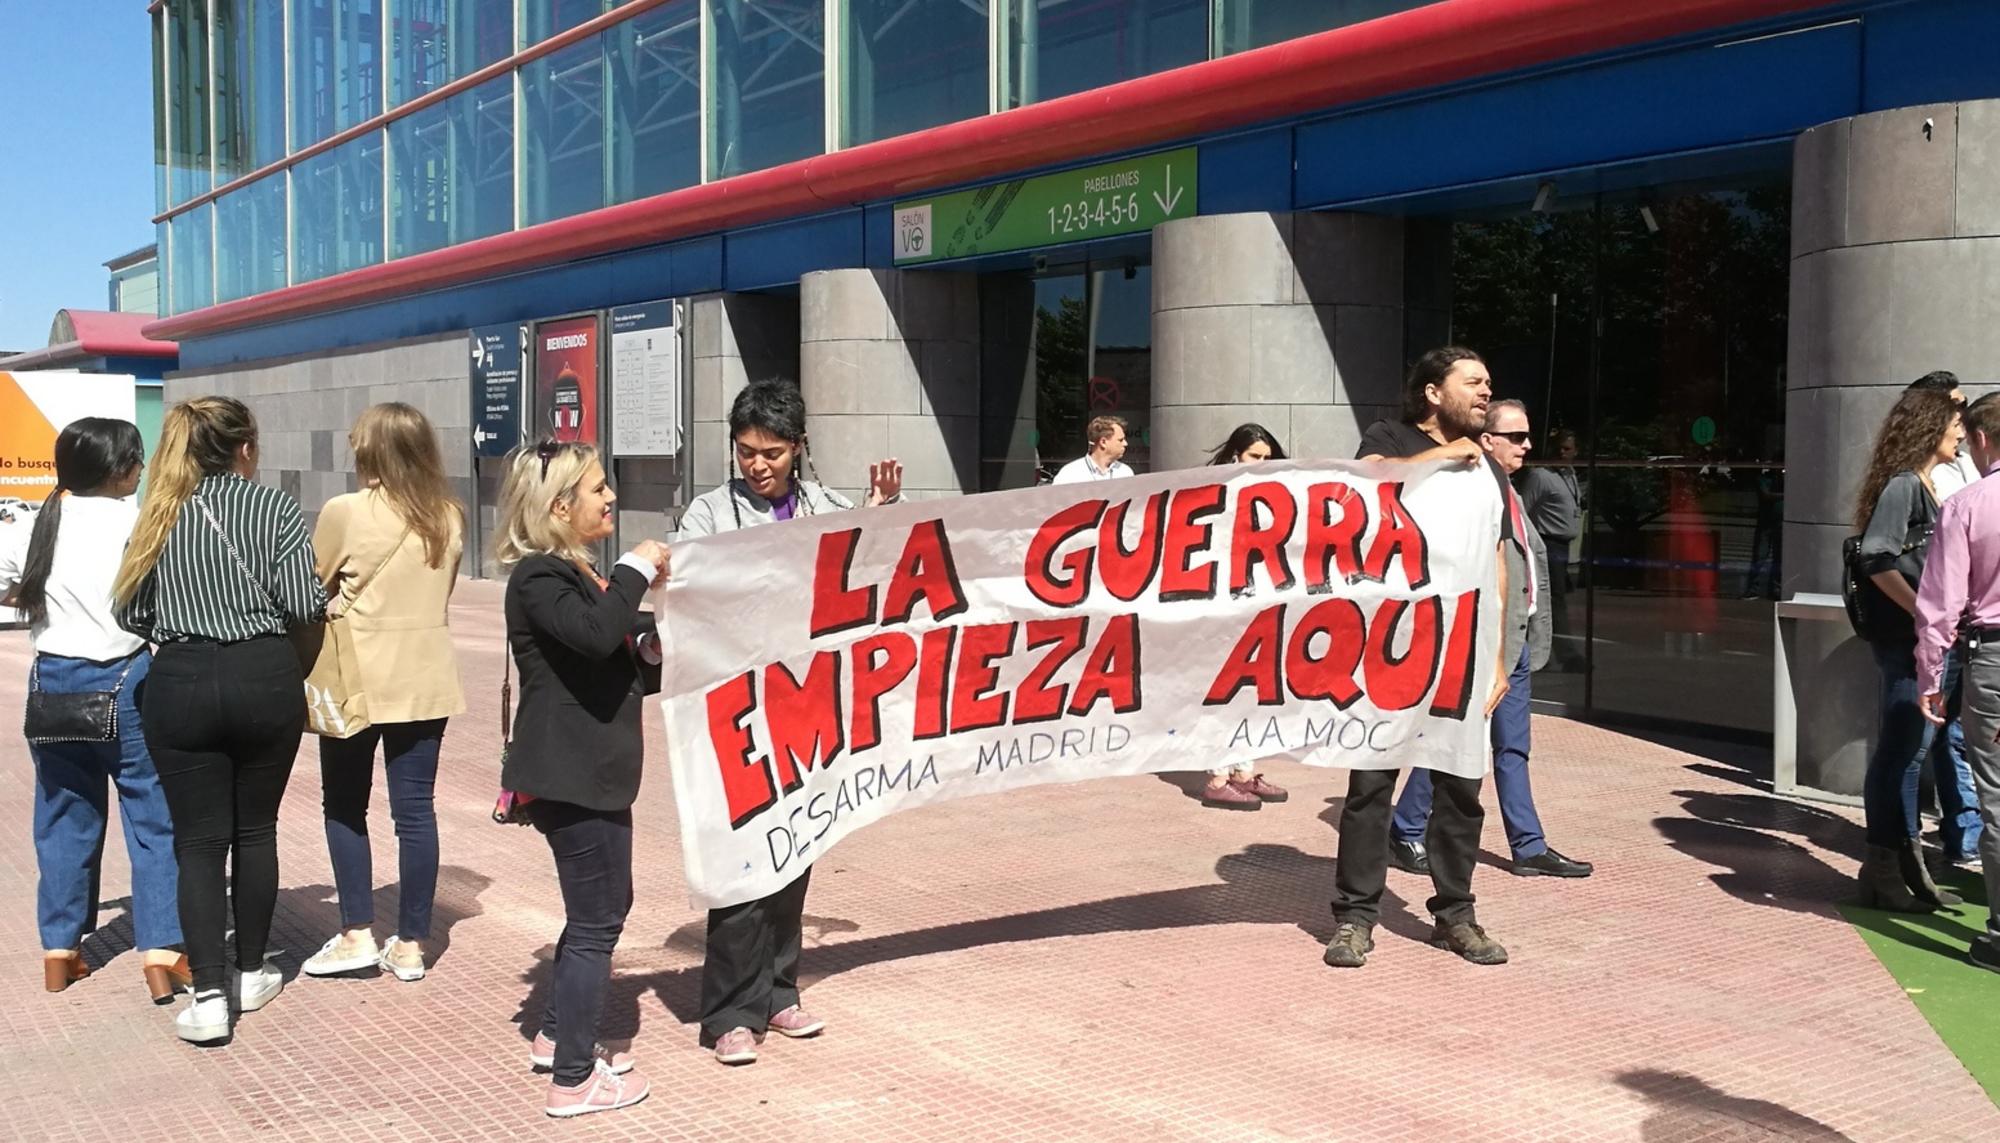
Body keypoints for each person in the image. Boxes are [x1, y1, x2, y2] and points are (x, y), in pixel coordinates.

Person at [676, 379, 903, 1065]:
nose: (758, 465)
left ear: (799, 447)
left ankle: (778, 990)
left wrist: (878, 516)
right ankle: (729, 1014)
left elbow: (868, 575)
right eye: (746, 452)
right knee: (742, 863)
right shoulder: (708, 515)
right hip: (737, 713)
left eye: (771, 452)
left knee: (795, 854)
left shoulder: (826, 507)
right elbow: (689, 594)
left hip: (808, 709)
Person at [112, 396, 325, 1044]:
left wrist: (176, 629)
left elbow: (125, 609)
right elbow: (301, 603)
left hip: (179, 679)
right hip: (265, 675)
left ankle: (207, 997)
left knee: (198, 842)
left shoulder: (161, 509)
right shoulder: (276, 507)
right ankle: (251, 971)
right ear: (245, 447)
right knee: (256, 828)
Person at [1323, 347, 1512, 970]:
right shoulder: (1390, 436)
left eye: (1489, 384)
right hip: (1391, 644)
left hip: (1463, 649)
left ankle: (1455, 915)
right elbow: (1369, 481)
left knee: (1460, 785)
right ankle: (1355, 917)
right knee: (1371, 783)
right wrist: (1439, 456)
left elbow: (1498, 558)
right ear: (1434, 392)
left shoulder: (1492, 465)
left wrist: (1498, 656)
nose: (1486, 392)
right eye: (1474, 383)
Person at [498, 438, 665, 1117]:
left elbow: (610, 656)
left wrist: (650, 644)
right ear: (560, 504)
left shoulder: (579, 574)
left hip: (593, 772)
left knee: (603, 908)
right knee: (597, 920)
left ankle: (556, 1032)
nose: (612, 498)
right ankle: (573, 1078)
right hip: (570, 776)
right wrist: (637, 566)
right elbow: (596, 635)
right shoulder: (537, 576)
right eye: (599, 488)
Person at [0, 419, 188, 1001]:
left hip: (51, 683)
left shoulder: (34, 524)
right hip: (127, 680)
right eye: (137, 461)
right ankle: (161, 953)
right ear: (121, 470)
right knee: (153, 819)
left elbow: (11, 584)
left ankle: (60, 951)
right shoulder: (143, 524)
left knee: (62, 818)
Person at [1387, 401, 1593, 880]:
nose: (1527, 445)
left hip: (1514, 643)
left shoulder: (1512, 492)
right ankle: (1405, 827)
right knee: (1455, 738)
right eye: (1516, 436)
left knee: (1512, 747)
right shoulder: (1468, 493)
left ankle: (1528, 846)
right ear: (1486, 441)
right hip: (1480, 643)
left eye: (1526, 436)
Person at [300, 403, 466, 984]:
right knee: (415, 812)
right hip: (424, 677)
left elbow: (309, 583)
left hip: (356, 678)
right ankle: (412, 942)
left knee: (345, 804)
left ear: (371, 451)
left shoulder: (346, 510)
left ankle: (355, 933)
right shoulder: (448, 516)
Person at [1850, 386, 1965, 912]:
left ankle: (1905, 868)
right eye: (1953, 423)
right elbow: (1876, 557)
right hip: (1905, 642)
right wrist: (1924, 610)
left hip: (1919, 641)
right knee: (1900, 752)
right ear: (1929, 429)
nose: (1961, 432)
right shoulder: (1904, 486)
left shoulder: (1922, 485)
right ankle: (1883, 870)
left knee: (1911, 753)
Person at [1915, 393, 2000, 971]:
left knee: (1997, 796)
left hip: (1994, 659)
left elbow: (1940, 606)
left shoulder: (1968, 505)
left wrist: (1930, 676)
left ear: (1981, 440)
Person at [1905, 371, 1982, 868]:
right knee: (1930, 738)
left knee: (1954, 735)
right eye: (1954, 410)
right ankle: (1924, 841)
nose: (1961, 422)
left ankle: (1965, 834)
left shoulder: (1970, 477)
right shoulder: (1913, 481)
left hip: (1969, 627)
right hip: (1948, 628)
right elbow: (1877, 557)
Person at [1198, 423, 1291, 810]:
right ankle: (1217, 774)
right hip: (1222, 601)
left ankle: (1243, 770)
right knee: (1224, 688)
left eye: (1267, 458)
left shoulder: (1270, 493)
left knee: (1253, 690)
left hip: (1257, 599)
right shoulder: (1216, 491)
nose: (1263, 464)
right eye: (1256, 456)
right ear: (1236, 454)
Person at [1516, 427, 1584, 669]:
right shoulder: (1541, 476)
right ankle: (1560, 655)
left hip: (1563, 545)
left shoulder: (1568, 474)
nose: (1563, 453)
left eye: (1568, 449)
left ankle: (1542, 651)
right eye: (1560, 448)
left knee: (1555, 598)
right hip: (1547, 542)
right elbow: (1523, 508)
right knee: (1551, 600)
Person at [1050, 415, 1133, 483]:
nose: (1125, 444)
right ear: (1103, 442)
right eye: (1120, 440)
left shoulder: (1125, 473)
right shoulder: (1070, 474)